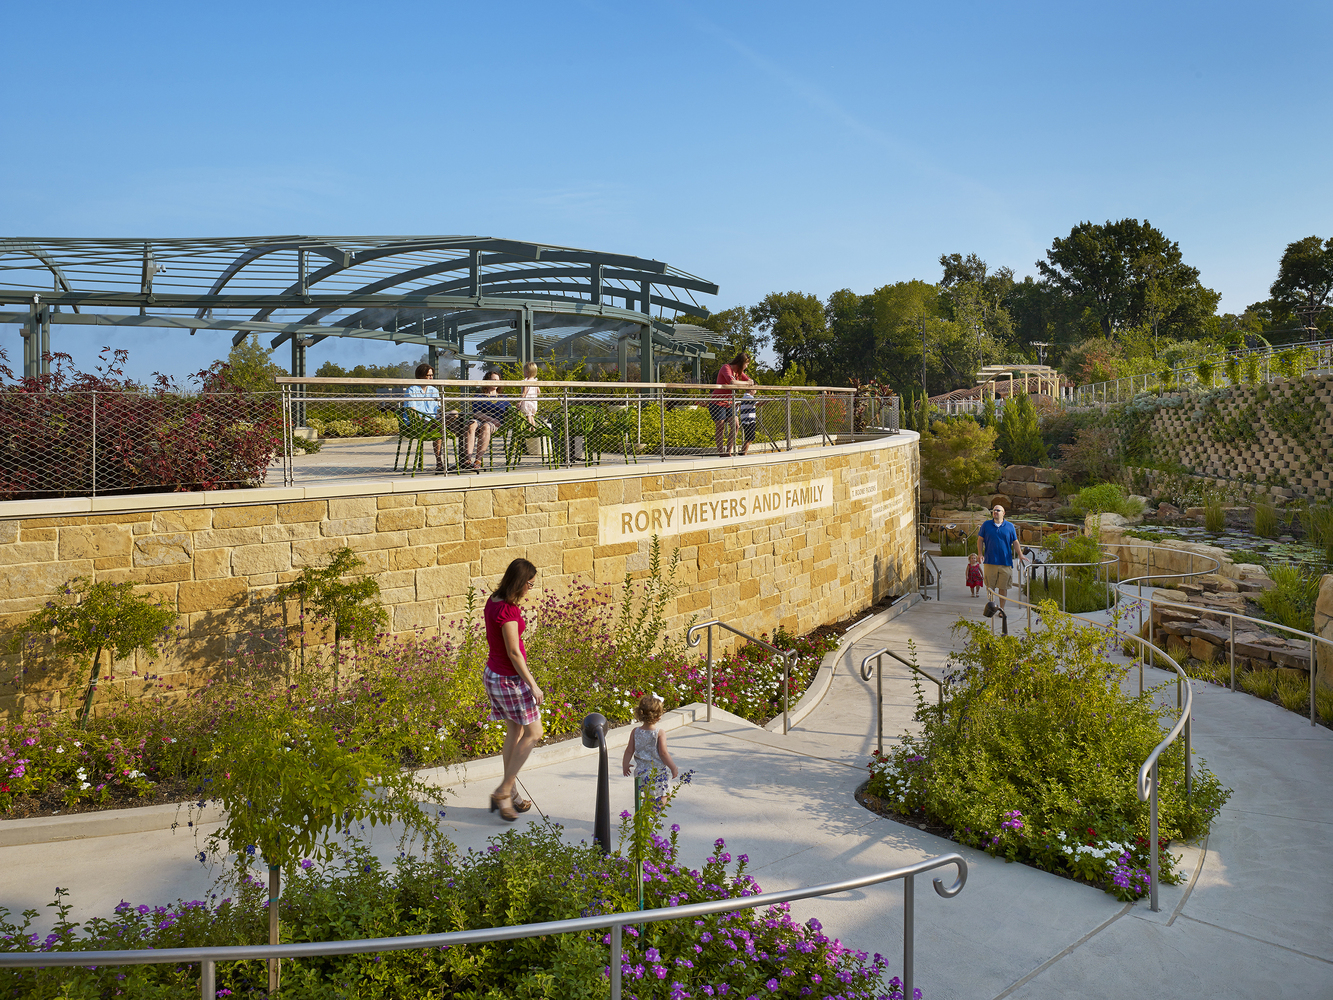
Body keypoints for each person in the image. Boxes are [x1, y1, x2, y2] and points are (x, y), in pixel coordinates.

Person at [483, 558, 543, 822]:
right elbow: (514, 652)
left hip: (494, 675)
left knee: (515, 731)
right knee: (534, 732)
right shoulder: (507, 612)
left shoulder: (493, 600)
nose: (530, 589)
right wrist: (533, 684)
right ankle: (504, 789)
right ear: (519, 582)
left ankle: (512, 796)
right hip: (509, 680)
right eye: (529, 584)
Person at [621, 692, 679, 806]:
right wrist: (673, 767)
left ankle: (646, 816)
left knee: (649, 796)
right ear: (658, 717)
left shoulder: (635, 731)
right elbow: (663, 753)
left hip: (641, 773)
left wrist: (625, 764)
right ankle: (651, 815)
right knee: (665, 795)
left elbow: (629, 750)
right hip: (656, 773)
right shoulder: (659, 733)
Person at [976, 504, 1026, 610]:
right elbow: (980, 539)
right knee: (990, 587)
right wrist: (980, 554)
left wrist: (1020, 554)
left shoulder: (1010, 526)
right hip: (990, 561)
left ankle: (1001, 609)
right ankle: (992, 607)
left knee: (1003, 587)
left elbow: (1015, 541)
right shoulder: (986, 525)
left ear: (1003, 513)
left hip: (1005, 562)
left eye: (998, 510)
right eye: (994, 510)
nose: (995, 512)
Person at [710, 351, 754, 457]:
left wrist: (748, 382)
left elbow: (750, 381)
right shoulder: (726, 368)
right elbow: (732, 382)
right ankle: (721, 452)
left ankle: (728, 451)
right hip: (718, 403)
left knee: (735, 425)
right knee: (720, 427)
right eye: (746, 364)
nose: (746, 367)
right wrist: (747, 383)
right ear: (741, 362)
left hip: (730, 403)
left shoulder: (738, 372)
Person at [403, 362, 445, 473]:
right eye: (429, 375)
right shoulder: (412, 390)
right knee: (440, 428)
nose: (431, 378)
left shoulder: (434, 391)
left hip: (433, 423)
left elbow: (437, 412)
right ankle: (439, 462)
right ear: (421, 376)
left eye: (432, 375)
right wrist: (427, 420)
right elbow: (412, 413)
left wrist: (439, 418)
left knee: (453, 415)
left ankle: (463, 462)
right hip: (417, 424)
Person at [464, 371, 509, 470]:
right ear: (487, 381)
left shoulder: (503, 398)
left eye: (498, 380)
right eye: (493, 380)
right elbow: (476, 413)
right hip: (480, 420)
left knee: (486, 426)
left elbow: (510, 411)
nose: (496, 382)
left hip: (494, 424)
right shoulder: (479, 396)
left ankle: (478, 460)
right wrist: (491, 419)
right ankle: (468, 459)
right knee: (472, 424)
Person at [517, 361, 541, 426]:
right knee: (532, 417)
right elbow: (538, 392)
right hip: (533, 401)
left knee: (528, 417)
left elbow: (524, 392)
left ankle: (529, 430)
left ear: (527, 372)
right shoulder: (535, 381)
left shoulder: (526, 381)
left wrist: (519, 402)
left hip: (527, 402)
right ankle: (533, 430)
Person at [737, 390, 758, 456]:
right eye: (755, 390)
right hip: (750, 420)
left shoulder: (743, 398)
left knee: (749, 437)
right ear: (751, 390)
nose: (756, 391)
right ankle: (744, 452)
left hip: (744, 420)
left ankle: (743, 451)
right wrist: (766, 401)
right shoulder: (750, 398)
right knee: (750, 438)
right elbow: (758, 404)